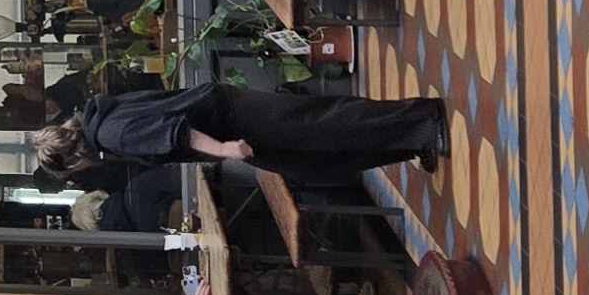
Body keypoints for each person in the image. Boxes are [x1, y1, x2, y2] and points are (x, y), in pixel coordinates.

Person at [77, 77, 447, 182]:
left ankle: (423, 120)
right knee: (315, 166)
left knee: (325, 125)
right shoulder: (103, 118)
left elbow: (176, 132)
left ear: (71, 159)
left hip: (231, 121)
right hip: (227, 118)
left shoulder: (110, 134)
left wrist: (224, 150)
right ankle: (410, 143)